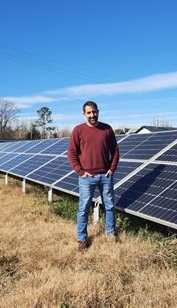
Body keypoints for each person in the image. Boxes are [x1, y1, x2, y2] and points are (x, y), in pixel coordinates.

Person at [67, 101, 120, 251]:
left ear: (98, 111)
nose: (92, 115)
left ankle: (111, 234)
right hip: (86, 178)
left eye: (94, 112)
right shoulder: (78, 130)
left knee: (109, 206)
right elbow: (71, 153)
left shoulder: (107, 129)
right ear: (84, 114)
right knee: (84, 208)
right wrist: (80, 171)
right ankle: (82, 239)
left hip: (106, 176)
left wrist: (112, 168)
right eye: (89, 112)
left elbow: (115, 150)